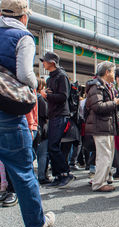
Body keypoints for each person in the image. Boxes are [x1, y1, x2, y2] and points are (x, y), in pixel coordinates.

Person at [0, 0, 54, 227]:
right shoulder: (23, 37)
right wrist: (35, 85)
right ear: (24, 16)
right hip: (6, 114)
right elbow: (24, 73)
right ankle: (35, 224)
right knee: (23, 170)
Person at [85, 61, 119, 192]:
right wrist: (114, 102)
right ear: (107, 72)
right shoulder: (96, 86)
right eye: (113, 72)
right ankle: (98, 183)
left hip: (107, 126)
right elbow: (97, 106)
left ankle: (103, 179)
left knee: (107, 155)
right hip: (100, 126)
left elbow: (111, 107)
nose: (114, 75)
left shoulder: (106, 86)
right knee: (104, 156)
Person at [41, 51, 75, 188]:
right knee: (52, 147)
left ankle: (66, 173)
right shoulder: (51, 78)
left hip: (61, 115)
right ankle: (58, 175)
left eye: (44, 60)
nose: (43, 62)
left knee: (53, 146)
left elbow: (63, 96)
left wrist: (47, 96)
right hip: (54, 115)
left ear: (52, 63)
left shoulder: (61, 76)